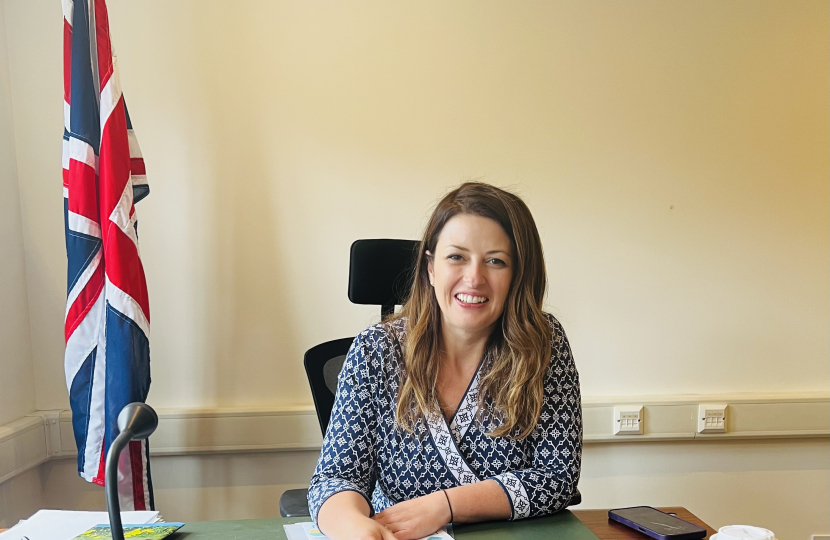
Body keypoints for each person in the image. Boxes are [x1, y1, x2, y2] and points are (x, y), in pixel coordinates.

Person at [307, 182, 582, 540]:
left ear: (517, 275)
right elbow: (335, 478)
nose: (474, 278)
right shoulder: (376, 350)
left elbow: (557, 476)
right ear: (431, 268)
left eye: (496, 261)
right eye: (457, 257)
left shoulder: (542, 344)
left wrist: (445, 505)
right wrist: (355, 529)